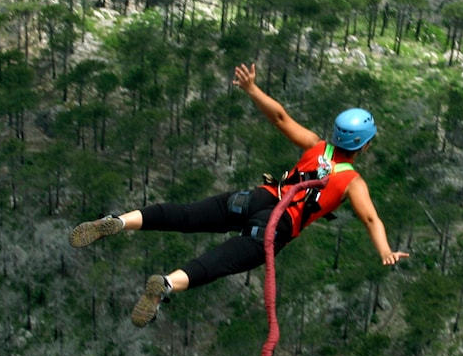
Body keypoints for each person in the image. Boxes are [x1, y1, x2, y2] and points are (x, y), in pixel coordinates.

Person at [69, 62, 409, 327]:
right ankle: (167, 283)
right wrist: (385, 251)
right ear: (364, 145)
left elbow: (280, 118)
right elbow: (370, 219)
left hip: (255, 198)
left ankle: (119, 221)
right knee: (219, 261)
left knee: (186, 215)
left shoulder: (316, 146)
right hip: (275, 226)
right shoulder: (353, 182)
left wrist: (251, 88)